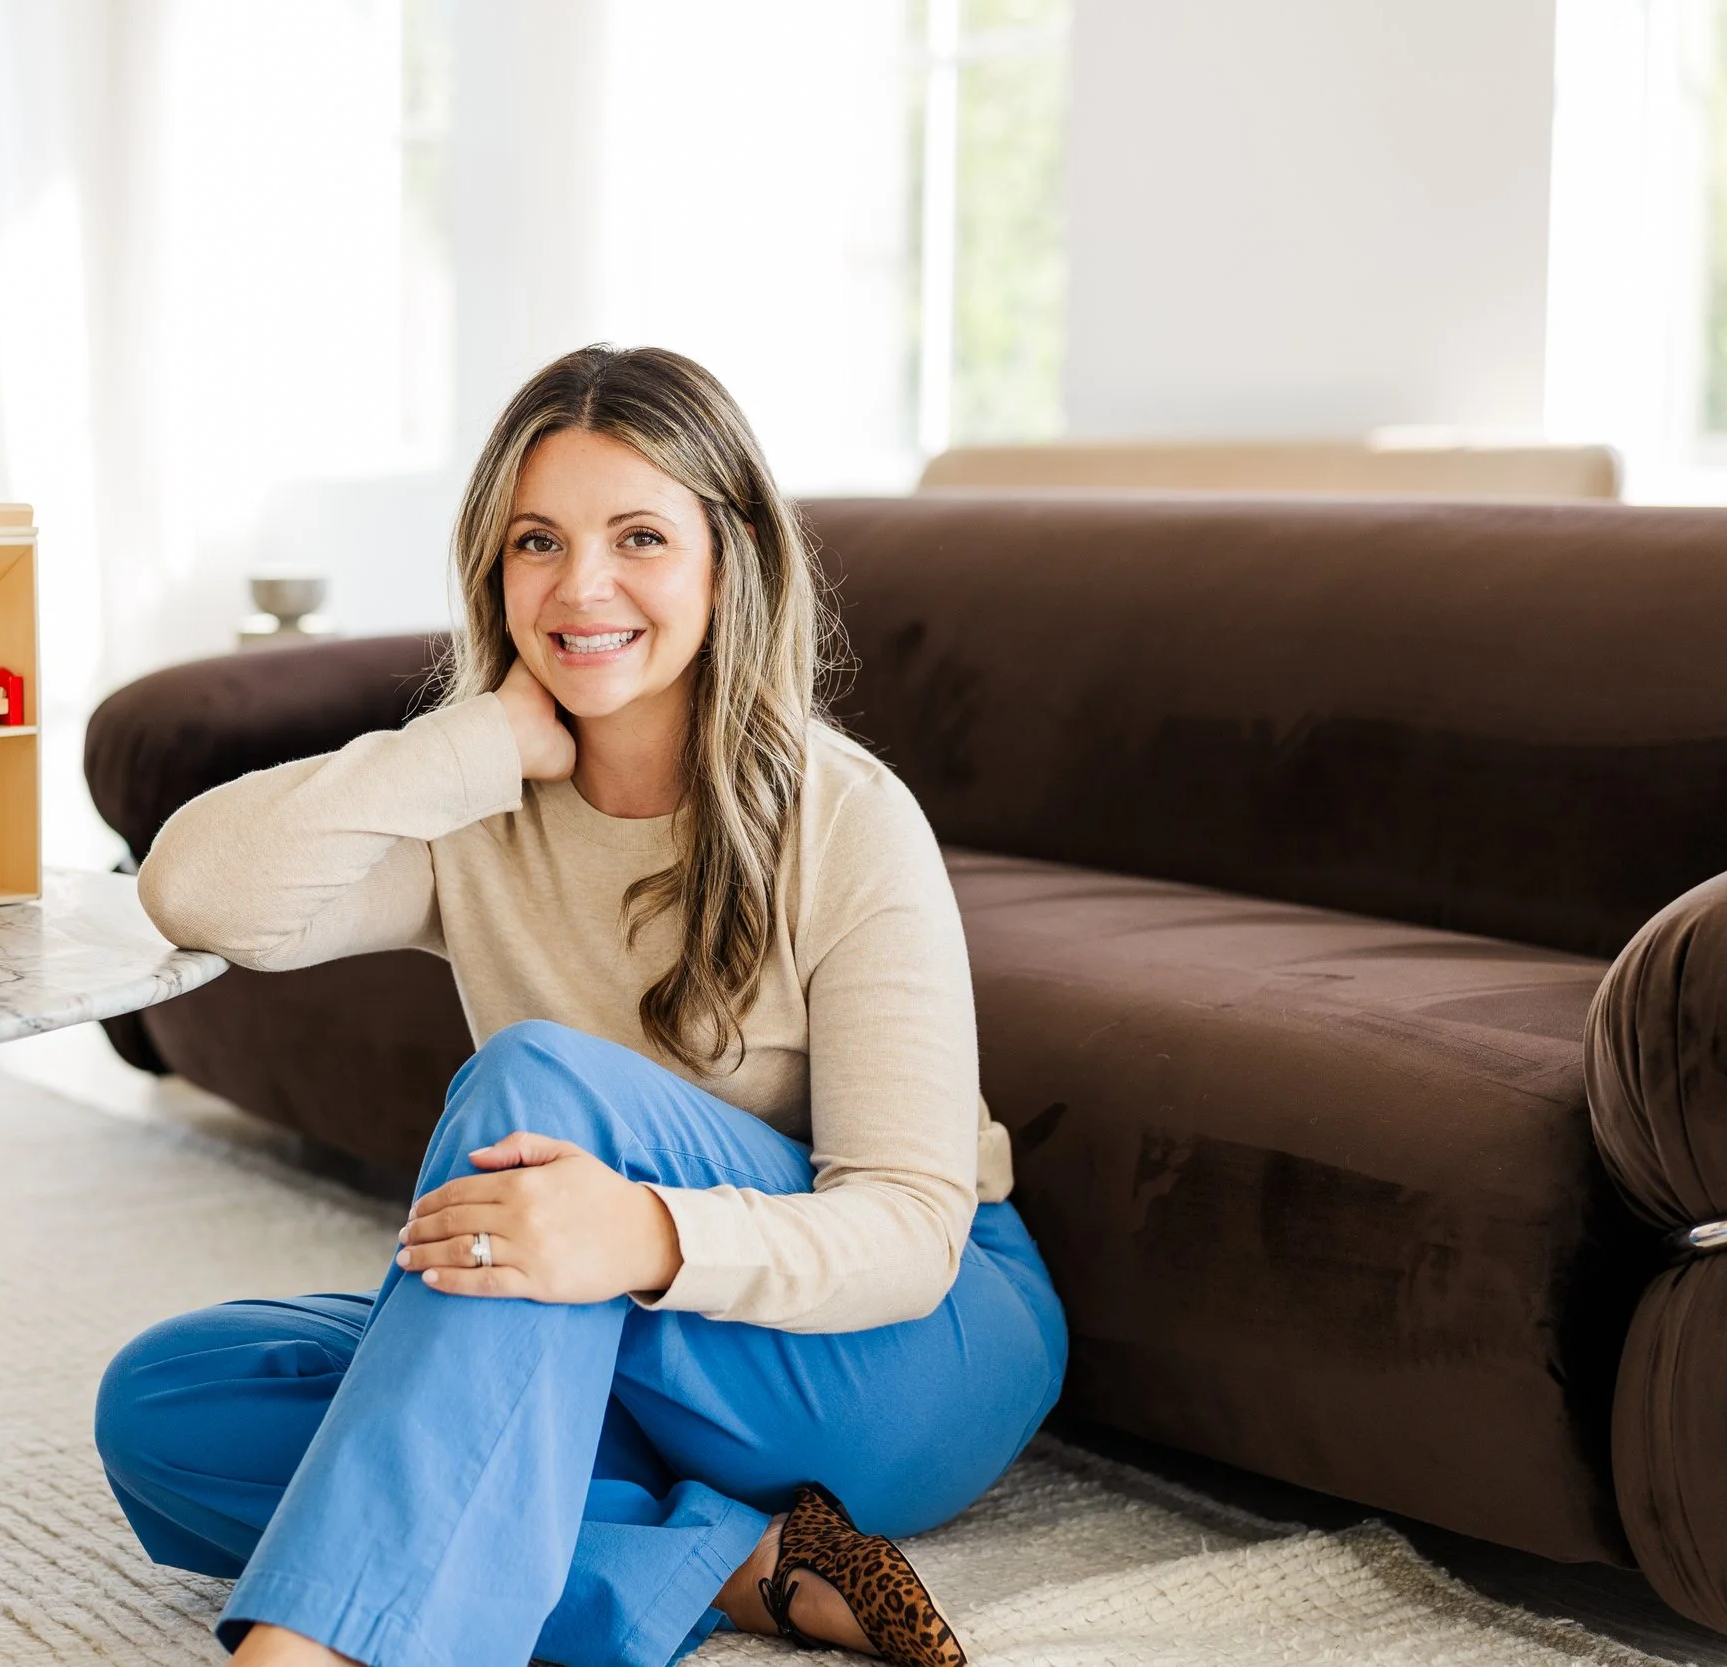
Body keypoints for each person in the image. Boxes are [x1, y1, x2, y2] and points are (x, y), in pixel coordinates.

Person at [96, 345, 1066, 1667]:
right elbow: (195, 891)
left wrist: (649, 1235)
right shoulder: (478, 809)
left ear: (729, 562)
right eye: (537, 540)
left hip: (896, 1349)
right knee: (167, 1406)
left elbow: (907, 1226)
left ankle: (316, 1648)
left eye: (641, 537)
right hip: (621, 1330)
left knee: (536, 1087)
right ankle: (717, 1562)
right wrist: (476, 742)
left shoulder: (846, 817)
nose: (581, 584)